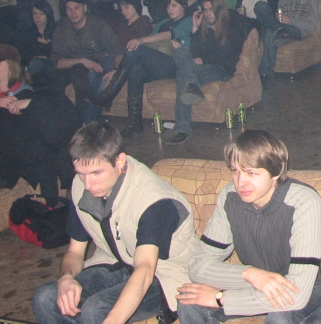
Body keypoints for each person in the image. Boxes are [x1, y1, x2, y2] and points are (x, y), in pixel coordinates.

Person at [175, 130, 321, 324]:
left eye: (251, 173)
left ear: (276, 172)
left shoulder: (303, 202)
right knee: (188, 301)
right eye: (235, 170)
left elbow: (297, 295)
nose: (240, 182)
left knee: (281, 316)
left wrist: (221, 298)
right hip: (263, 283)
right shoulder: (230, 197)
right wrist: (250, 274)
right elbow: (198, 265)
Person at [32, 121, 199, 324]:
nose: (88, 184)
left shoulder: (154, 201)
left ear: (120, 161)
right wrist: (66, 277)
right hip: (115, 262)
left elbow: (145, 270)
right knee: (45, 298)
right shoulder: (81, 187)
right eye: (81, 174)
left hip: (165, 275)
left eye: (96, 173)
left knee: (96, 309)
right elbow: (75, 252)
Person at [92, 0, 193, 137]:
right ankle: (135, 124)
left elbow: (168, 35)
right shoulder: (163, 23)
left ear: (183, 6)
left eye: (174, 5)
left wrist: (140, 40)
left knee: (136, 49)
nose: (170, 9)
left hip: (175, 64)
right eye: (168, 6)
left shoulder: (188, 21)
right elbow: (149, 46)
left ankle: (109, 94)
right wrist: (118, 70)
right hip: (157, 65)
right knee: (135, 70)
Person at [0, 44, 81, 204]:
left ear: (11, 65)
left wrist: (30, 103)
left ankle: (59, 191)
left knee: (44, 131)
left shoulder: (26, 93)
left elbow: (67, 116)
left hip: (20, 157)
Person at [168, 0, 250, 144]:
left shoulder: (232, 27)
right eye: (205, 10)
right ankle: (192, 86)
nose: (208, 13)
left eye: (211, 10)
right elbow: (193, 53)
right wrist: (195, 29)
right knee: (179, 54)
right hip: (199, 69)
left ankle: (182, 129)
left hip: (220, 70)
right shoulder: (203, 29)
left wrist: (205, 60)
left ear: (219, 10)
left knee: (183, 73)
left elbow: (230, 57)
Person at [52, 0, 123, 124]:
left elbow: (118, 52)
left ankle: (86, 122)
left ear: (85, 8)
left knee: (92, 74)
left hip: (100, 64)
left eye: (77, 8)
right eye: (69, 9)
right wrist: (82, 61)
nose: (73, 13)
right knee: (72, 75)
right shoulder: (62, 29)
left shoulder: (98, 26)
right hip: (74, 68)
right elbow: (56, 62)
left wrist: (116, 71)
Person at [256, 0, 319, 82]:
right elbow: (278, 17)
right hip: (282, 29)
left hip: (297, 31)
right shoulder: (284, 0)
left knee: (269, 30)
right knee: (260, 6)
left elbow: (312, 26)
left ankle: (265, 72)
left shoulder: (311, 0)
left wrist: (290, 20)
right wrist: (279, 19)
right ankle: (266, 72)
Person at [22, 0, 57, 84]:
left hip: (53, 64)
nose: (37, 17)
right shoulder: (27, 33)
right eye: (35, 14)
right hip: (33, 67)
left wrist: (47, 57)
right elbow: (24, 54)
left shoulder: (56, 31)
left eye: (41, 14)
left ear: (47, 15)